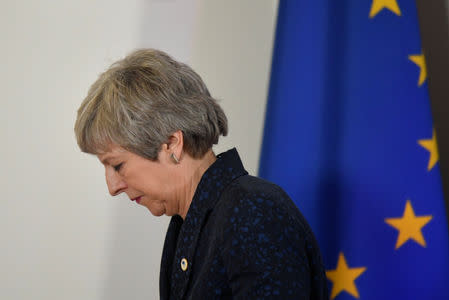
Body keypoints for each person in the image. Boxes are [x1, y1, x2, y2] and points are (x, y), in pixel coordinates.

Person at [74, 49, 329, 299]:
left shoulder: (251, 211)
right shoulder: (188, 224)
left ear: (172, 143)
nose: (113, 186)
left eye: (117, 165)